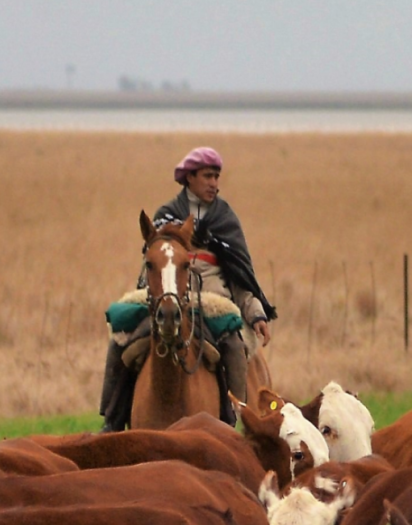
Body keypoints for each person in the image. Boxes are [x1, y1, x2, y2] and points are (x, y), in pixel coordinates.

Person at [97, 147, 279, 430]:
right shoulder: (166, 214)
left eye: (217, 177)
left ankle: (233, 421)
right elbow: (155, 264)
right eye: (207, 176)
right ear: (189, 178)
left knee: (232, 343)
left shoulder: (225, 219)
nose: (214, 184)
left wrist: (256, 314)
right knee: (123, 337)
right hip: (167, 297)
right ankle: (113, 419)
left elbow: (240, 277)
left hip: (214, 302)